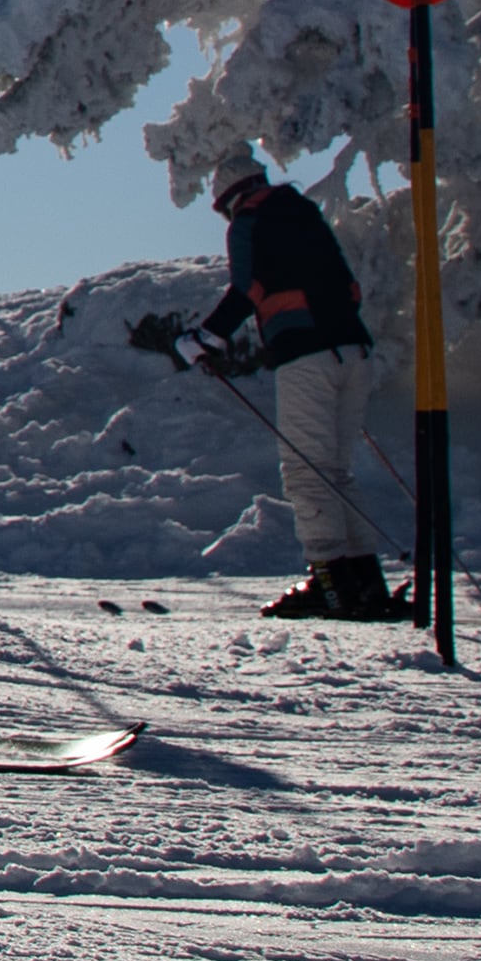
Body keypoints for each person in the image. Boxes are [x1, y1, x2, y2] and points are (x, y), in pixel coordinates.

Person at [186, 156, 404, 622]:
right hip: (353, 350)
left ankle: (328, 583)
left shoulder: (248, 220)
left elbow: (247, 288)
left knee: (307, 473)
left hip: (305, 355)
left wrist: (206, 338)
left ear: (229, 199)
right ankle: (365, 584)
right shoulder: (304, 212)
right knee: (337, 472)